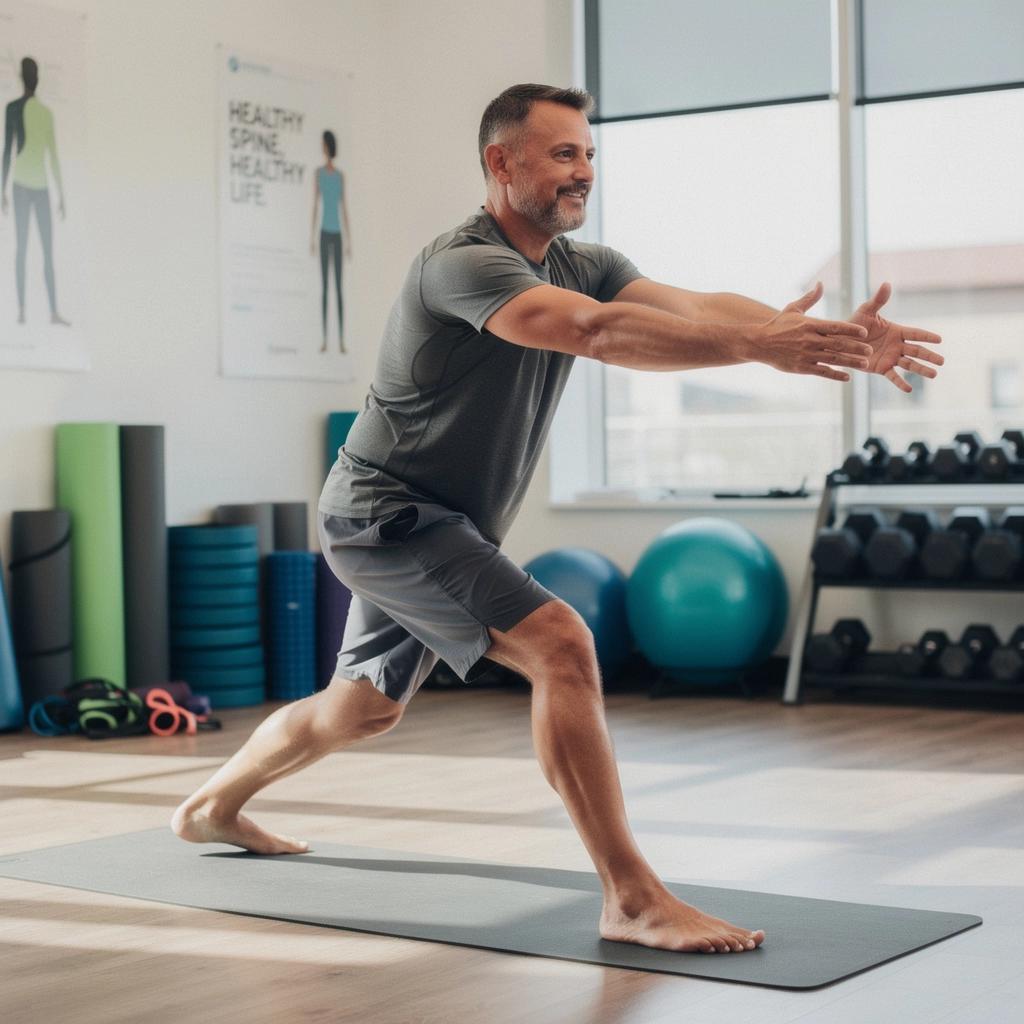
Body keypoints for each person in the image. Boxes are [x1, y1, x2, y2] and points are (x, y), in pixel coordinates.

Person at [173, 83, 943, 955]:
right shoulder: (461, 264)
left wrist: (818, 335)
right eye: (562, 154)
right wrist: (762, 346)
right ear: (502, 164)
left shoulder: (585, 258)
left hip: (441, 525)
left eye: (588, 155)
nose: (582, 172)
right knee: (562, 644)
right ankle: (633, 898)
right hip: (391, 515)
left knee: (361, 711)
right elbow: (596, 334)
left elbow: (688, 308)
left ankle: (210, 807)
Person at [1, 56, 70, 327]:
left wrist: (2, 188)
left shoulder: (16, 109)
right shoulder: (33, 112)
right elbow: (51, 157)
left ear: (22, 77)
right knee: (35, 250)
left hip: (29, 187)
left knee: (30, 249)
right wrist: (62, 195)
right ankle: (29, 311)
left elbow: (9, 151)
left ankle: (31, 311)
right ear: (37, 78)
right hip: (30, 187)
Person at [310, 129, 351, 353]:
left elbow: (343, 207)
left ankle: (342, 340)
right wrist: (312, 237)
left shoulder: (339, 176)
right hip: (324, 233)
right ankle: (326, 339)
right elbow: (316, 206)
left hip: (337, 234)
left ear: (328, 146)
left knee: (338, 289)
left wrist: (349, 239)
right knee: (325, 288)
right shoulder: (318, 174)